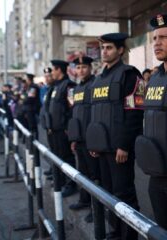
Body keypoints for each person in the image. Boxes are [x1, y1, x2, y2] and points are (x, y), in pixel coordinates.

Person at [86, 33, 144, 239]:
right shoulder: (99, 79)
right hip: (101, 148)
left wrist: (124, 145)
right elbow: (94, 113)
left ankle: (129, 236)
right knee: (109, 194)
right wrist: (93, 143)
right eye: (103, 48)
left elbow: (135, 113)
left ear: (120, 50)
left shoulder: (129, 75)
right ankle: (116, 232)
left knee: (124, 194)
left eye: (109, 48)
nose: (104, 52)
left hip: (119, 149)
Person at [135, 14, 167, 230]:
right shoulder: (154, 79)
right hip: (158, 175)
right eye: (154, 38)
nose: (157, 42)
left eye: (163, 37)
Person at [67, 56, 99, 223]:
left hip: (90, 139)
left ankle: (96, 208)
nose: (81, 71)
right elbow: (75, 114)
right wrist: (73, 138)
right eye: (78, 68)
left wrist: (94, 141)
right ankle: (84, 200)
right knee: (83, 172)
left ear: (90, 68)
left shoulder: (95, 84)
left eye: (84, 67)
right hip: (79, 139)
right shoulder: (77, 88)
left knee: (95, 175)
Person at [44, 59, 77, 197]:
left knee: (67, 158)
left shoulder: (68, 86)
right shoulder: (57, 86)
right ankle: (61, 182)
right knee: (58, 157)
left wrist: (68, 128)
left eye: (53, 69)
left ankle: (71, 185)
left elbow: (72, 108)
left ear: (59, 70)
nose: (52, 72)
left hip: (64, 130)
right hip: (55, 130)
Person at [23, 73, 41, 139]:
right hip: (29, 108)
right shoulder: (30, 87)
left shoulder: (33, 87)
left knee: (33, 126)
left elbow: (31, 97)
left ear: (29, 79)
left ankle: (34, 141)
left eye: (27, 79)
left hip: (32, 109)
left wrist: (24, 101)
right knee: (30, 125)